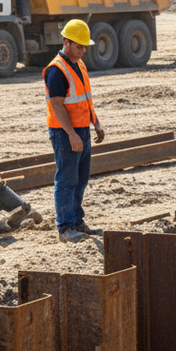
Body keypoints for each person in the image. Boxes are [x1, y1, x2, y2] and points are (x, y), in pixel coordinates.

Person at [43, 19, 106, 243]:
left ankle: (77, 222)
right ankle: (65, 227)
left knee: (80, 179)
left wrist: (95, 122)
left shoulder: (79, 65)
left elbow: (85, 99)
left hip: (82, 130)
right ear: (66, 43)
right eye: (79, 46)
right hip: (65, 133)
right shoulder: (56, 70)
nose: (83, 51)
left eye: (85, 47)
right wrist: (71, 134)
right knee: (67, 179)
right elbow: (57, 105)